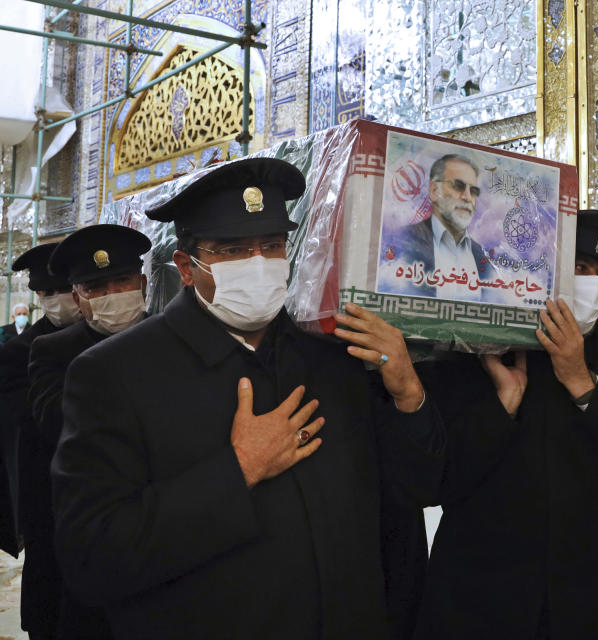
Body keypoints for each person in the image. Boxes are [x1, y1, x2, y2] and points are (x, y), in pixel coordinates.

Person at [51, 157, 444, 640]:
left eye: (271, 245)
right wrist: (238, 471)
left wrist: (408, 394)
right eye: (232, 250)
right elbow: (91, 557)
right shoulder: (114, 374)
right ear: (187, 267)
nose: (257, 264)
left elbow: (413, 494)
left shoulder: (335, 355)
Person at [413, 210, 598, 640]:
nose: (590, 288)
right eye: (578, 269)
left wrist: (583, 382)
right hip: (478, 602)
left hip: (586, 606)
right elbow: (435, 481)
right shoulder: (478, 349)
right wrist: (503, 404)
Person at [27, 225, 151, 640]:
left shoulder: (174, 338)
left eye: (122, 281)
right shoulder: (52, 351)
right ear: (78, 298)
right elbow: (55, 424)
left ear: (143, 284)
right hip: (92, 534)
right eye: (96, 286)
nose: (113, 293)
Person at [0, 242, 82, 564]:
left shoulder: (114, 341)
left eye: (64, 288)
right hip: (43, 491)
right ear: (39, 297)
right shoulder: (17, 354)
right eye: (49, 292)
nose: (58, 298)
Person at [385, 153, 497, 300]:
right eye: (458, 186)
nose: (468, 197)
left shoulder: (483, 257)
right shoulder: (405, 241)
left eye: (473, 191)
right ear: (434, 190)